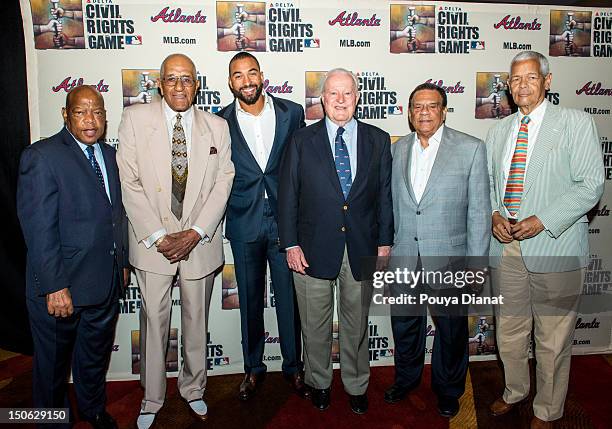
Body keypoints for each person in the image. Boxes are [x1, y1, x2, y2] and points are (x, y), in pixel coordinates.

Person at [487, 51, 604, 429]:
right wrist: (493, 214)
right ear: (508, 84)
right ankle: (515, 390)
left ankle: (548, 410)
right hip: (507, 250)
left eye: (531, 78)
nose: (522, 85)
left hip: (556, 246)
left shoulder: (575, 123)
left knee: (552, 338)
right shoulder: (499, 131)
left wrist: (544, 220)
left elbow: (591, 185)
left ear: (547, 82)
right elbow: (490, 186)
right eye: (516, 79)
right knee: (508, 330)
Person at [117, 53, 234, 429]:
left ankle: (194, 389)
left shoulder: (217, 126)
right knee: (154, 321)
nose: (179, 86)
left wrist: (196, 232)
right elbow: (129, 182)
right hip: (154, 244)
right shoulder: (135, 120)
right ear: (159, 84)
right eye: (172, 79)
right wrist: (157, 236)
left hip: (199, 242)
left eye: (187, 79)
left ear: (197, 84)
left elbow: (223, 182)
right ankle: (151, 397)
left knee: (197, 319)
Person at [278, 68, 393, 414]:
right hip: (311, 250)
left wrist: (385, 241)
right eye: (333, 93)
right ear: (322, 99)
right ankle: (319, 382)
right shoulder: (301, 140)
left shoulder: (378, 139)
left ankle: (356, 384)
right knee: (314, 325)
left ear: (357, 98)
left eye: (347, 93)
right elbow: (288, 196)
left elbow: (385, 196)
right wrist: (291, 244)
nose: (340, 100)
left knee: (356, 324)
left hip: (361, 247)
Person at [17, 86, 129, 429]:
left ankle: (93, 409)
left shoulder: (111, 156)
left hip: (104, 283)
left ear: (106, 116)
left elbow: (117, 216)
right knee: (51, 368)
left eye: (97, 112)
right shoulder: (42, 156)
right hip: (61, 289)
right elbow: (39, 230)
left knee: (93, 358)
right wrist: (55, 286)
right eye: (80, 112)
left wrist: (121, 264)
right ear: (66, 115)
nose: (90, 120)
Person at [385, 82, 490, 418]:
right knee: (405, 325)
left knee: (450, 330)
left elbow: (478, 213)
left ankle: (448, 389)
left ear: (444, 111)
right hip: (404, 257)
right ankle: (406, 379)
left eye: (432, 106)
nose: (425, 112)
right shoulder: (398, 149)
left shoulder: (471, 148)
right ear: (409, 112)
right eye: (418, 106)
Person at [217, 52, 307, 400]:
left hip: (286, 223)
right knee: (250, 302)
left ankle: (293, 367)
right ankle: (253, 369)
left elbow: (302, 167)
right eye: (238, 75)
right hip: (243, 222)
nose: (246, 80)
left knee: (289, 302)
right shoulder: (219, 121)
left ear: (261, 75)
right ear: (230, 82)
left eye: (251, 72)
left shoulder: (292, 112)